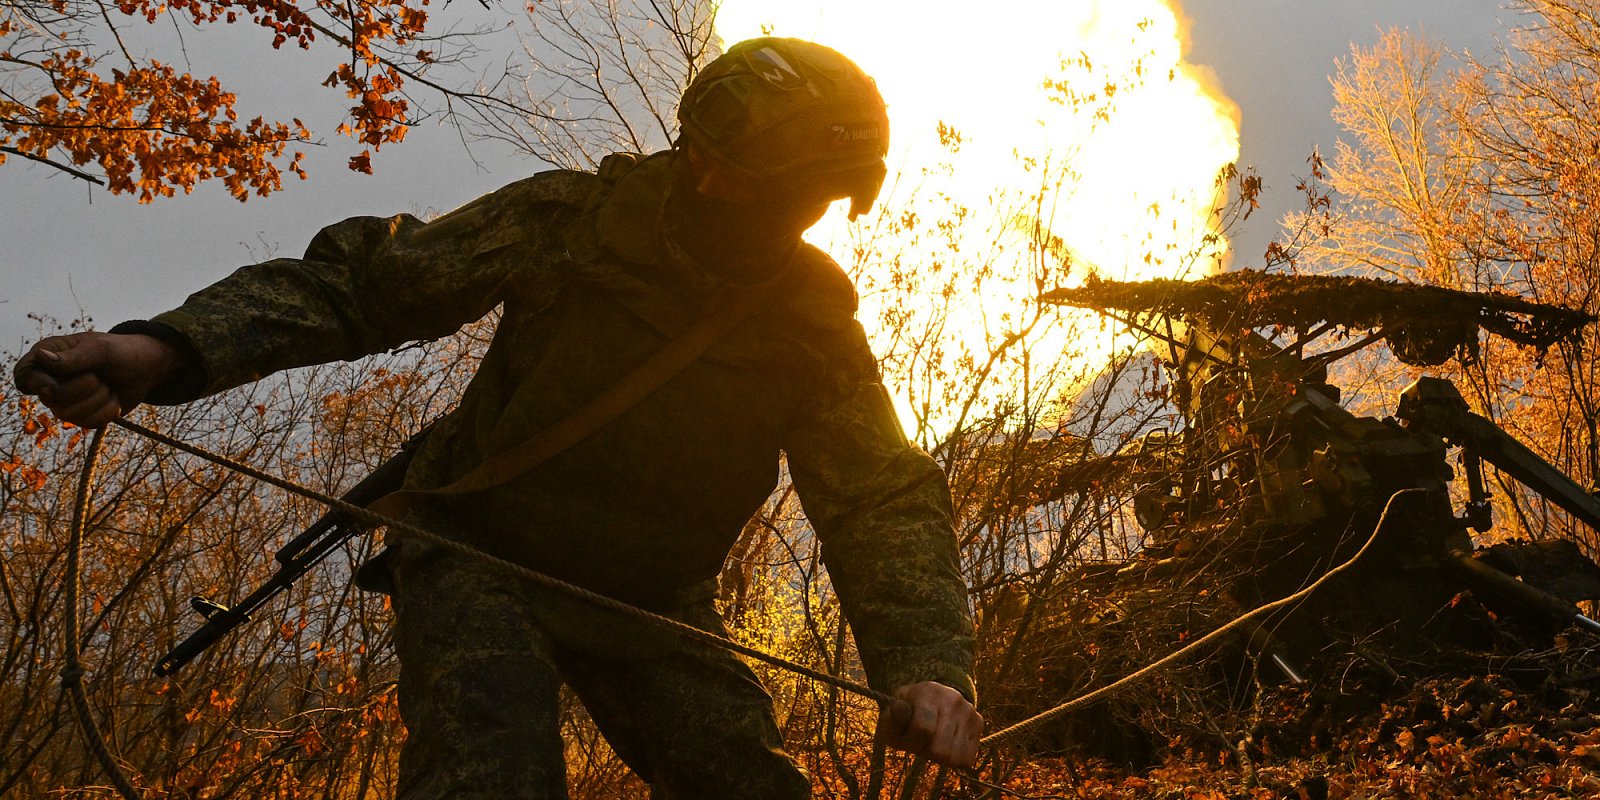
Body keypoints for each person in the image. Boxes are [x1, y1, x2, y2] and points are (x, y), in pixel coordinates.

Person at [13, 37, 982, 798]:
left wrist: (930, 668)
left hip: (647, 596)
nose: (749, 204)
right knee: (493, 779)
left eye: (797, 198)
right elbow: (368, 289)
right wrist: (166, 348)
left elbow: (879, 501)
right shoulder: (569, 222)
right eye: (733, 175)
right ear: (697, 155)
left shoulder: (809, 323)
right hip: (481, 549)